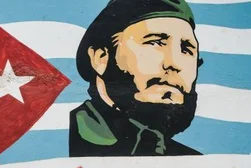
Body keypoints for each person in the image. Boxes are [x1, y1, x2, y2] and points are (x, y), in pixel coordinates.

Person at [69, 0, 203, 157]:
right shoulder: (72, 140)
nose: (174, 63)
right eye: (155, 42)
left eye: (187, 49)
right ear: (100, 58)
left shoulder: (192, 162)